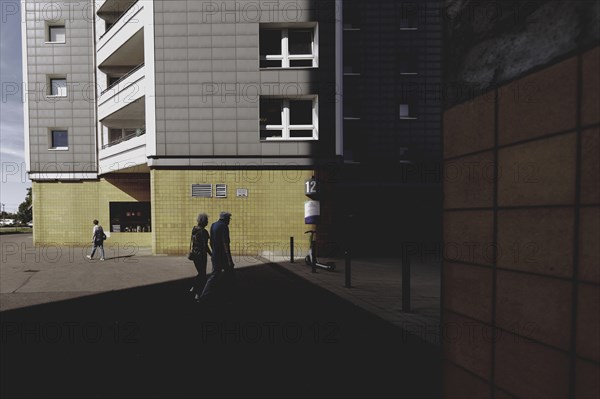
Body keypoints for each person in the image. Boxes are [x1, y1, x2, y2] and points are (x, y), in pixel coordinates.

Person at [199, 211, 234, 301]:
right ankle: (205, 295)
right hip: (222, 256)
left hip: (215, 254)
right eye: (229, 219)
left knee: (216, 273)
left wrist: (214, 252)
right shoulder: (224, 226)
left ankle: (222, 292)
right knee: (223, 273)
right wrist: (229, 259)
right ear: (225, 219)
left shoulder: (213, 225)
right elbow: (225, 243)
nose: (229, 221)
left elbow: (210, 242)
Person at [189, 213, 212, 300]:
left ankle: (194, 287)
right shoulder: (204, 232)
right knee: (202, 274)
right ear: (203, 221)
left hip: (195, 255)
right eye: (206, 220)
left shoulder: (194, 229)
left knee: (200, 273)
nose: (207, 222)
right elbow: (205, 246)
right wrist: (211, 254)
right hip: (201, 255)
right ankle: (198, 293)